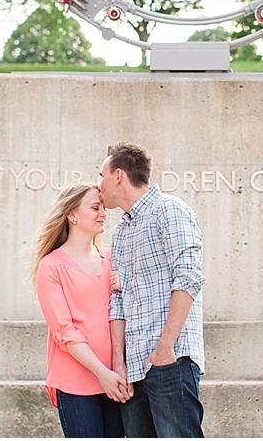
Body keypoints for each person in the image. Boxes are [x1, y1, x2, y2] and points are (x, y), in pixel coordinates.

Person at [98, 143, 206, 438]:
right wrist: (119, 364)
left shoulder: (169, 211)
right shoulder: (121, 230)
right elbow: (117, 301)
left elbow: (189, 278)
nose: (99, 185)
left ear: (118, 176)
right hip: (133, 370)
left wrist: (165, 348)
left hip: (170, 361)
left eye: (101, 175)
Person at [31, 182, 130, 438]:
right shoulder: (51, 267)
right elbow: (65, 331)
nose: (103, 213)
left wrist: (131, 285)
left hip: (119, 379)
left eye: (103, 207)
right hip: (76, 383)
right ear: (72, 216)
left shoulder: (112, 258)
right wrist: (102, 373)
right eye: (95, 207)